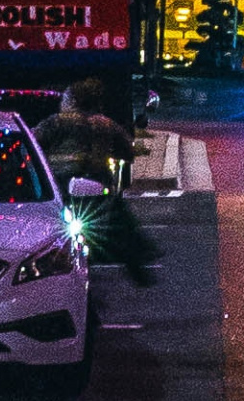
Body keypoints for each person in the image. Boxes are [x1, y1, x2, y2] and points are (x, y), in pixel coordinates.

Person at [37, 80, 158, 286]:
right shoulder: (105, 124)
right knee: (120, 222)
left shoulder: (56, 122)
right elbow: (126, 151)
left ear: (72, 100)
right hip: (97, 181)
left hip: (61, 183)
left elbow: (35, 142)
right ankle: (138, 263)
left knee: (45, 220)